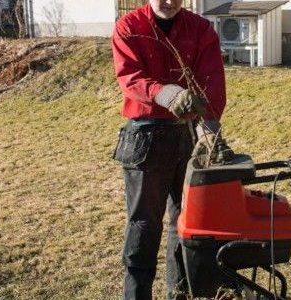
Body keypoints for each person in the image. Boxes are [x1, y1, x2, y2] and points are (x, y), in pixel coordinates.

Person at [110, 0, 233, 298]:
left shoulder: (200, 29)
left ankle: (178, 293)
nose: (169, 1)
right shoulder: (129, 28)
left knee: (186, 222)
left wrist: (209, 126)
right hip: (145, 138)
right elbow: (130, 77)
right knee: (143, 225)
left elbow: (211, 82)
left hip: (187, 137)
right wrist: (164, 92)